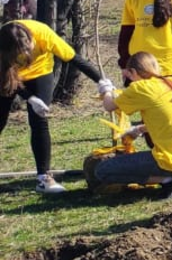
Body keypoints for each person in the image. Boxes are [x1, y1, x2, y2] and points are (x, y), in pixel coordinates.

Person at [0, 18, 109, 193]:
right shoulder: (3, 45)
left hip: (41, 72)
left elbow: (74, 58)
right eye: (21, 54)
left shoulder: (43, 34)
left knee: (39, 119)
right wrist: (30, 98)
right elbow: (6, 79)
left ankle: (44, 178)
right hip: (8, 75)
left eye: (29, 49)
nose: (27, 54)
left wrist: (100, 80)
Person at [95, 52, 172, 199]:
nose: (130, 80)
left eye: (129, 76)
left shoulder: (140, 87)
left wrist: (107, 91)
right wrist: (140, 129)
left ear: (133, 71)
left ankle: (168, 180)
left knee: (103, 170)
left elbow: (109, 106)